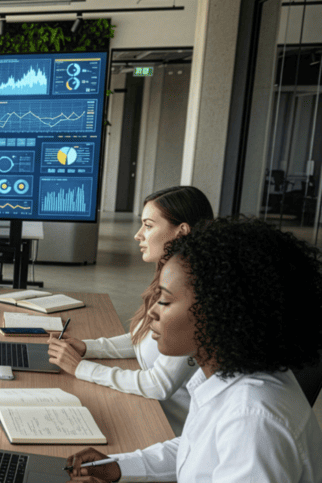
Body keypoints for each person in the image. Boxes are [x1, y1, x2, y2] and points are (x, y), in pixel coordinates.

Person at [63, 218, 322, 483]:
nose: (150, 312)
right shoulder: (228, 373)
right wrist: (121, 466)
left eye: (164, 302)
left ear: (219, 312)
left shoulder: (254, 416)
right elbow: (200, 447)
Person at [46, 186, 213, 434]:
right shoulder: (168, 278)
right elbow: (144, 338)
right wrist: (88, 347)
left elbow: (159, 384)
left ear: (181, 232)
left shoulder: (193, 296)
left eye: (148, 225)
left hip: (169, 430)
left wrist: (82, 368)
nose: (138, 235)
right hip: (151, 412)